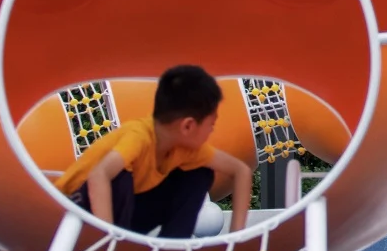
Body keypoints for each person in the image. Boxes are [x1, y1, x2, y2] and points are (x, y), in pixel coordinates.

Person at [56, 64, 252, 238]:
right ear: (187, 126)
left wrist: (236, 237)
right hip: (78, 205)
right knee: (122, 174)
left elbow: (240, 170)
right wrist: (108, 236)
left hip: (126, 212)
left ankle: (174, 242)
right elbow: (99, 174)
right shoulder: (139, 136)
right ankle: (115, 240)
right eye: (210, 125)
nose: (212, 131)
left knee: (200, 173)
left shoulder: (186, 148)